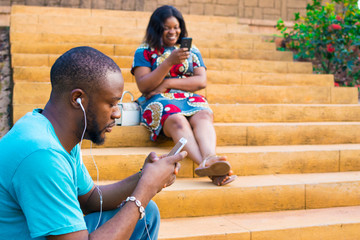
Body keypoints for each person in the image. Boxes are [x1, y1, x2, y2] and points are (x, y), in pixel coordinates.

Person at [0, 46, 185, 240]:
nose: (117, 113)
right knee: (140, 209)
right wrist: (145, 190)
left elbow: (89, 199)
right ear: (78, 99)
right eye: (111, 103)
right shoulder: (42, 153)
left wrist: (144, 176)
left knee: (147, 214)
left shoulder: (52, 131)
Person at [131, 5, 237, 186]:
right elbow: (144, 85)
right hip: (157, 100)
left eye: (176, 27)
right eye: (167, 28)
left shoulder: (191, 49)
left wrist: (168, 83)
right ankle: (208, 165)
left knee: (203, 113)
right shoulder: (145, 51)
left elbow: (201, 81)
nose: (173, 31)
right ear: (157, 29)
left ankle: (210, 157)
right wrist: (169, 63)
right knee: (177, 119)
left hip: (186, 97)